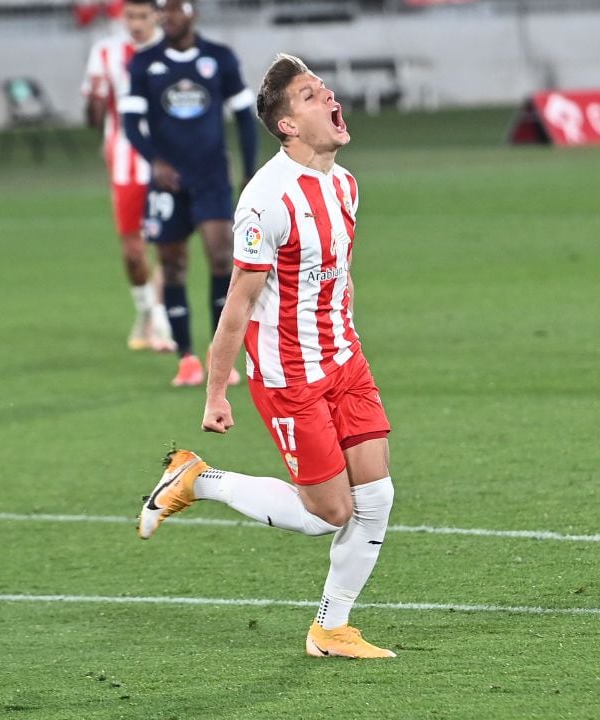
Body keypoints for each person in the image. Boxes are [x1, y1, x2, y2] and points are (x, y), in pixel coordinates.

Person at [137, 54, 397, 659]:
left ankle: (331, 629)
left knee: (378, 497)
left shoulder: (347, 184)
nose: (329, 97)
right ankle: (199, 480)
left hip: (345, 359)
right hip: (290, 375)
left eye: (324, 88)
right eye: (311, 95)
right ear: (286, 125)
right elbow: (238, 304)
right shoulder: (265, 202)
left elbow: (335, 277)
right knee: (330, 512)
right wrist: (216, 390)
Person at [121, 0, 256, 386]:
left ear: (192, 12)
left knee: (220, 258)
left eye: (175, 9)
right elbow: (130, 123)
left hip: (212, 177)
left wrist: (248, 172)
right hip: (168, 183)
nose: (168, 17)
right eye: (162, 11)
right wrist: (155, 160)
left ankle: (219, 354)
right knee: (174, 264)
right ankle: (186, 357)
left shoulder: (219, 58)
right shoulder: (145, 64)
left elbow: (245, 116)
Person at [82, 0, 175, 353]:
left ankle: (162, 321)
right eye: (130, 16)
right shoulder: (105, 52)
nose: (136, 23)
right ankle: (146, 312)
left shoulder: (173, 50)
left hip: (169, 161)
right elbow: (92, 119)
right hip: (124, 162)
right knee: (134, 252)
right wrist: (94, 97)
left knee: (169, 242)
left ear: (158, 16)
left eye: (143, 16)